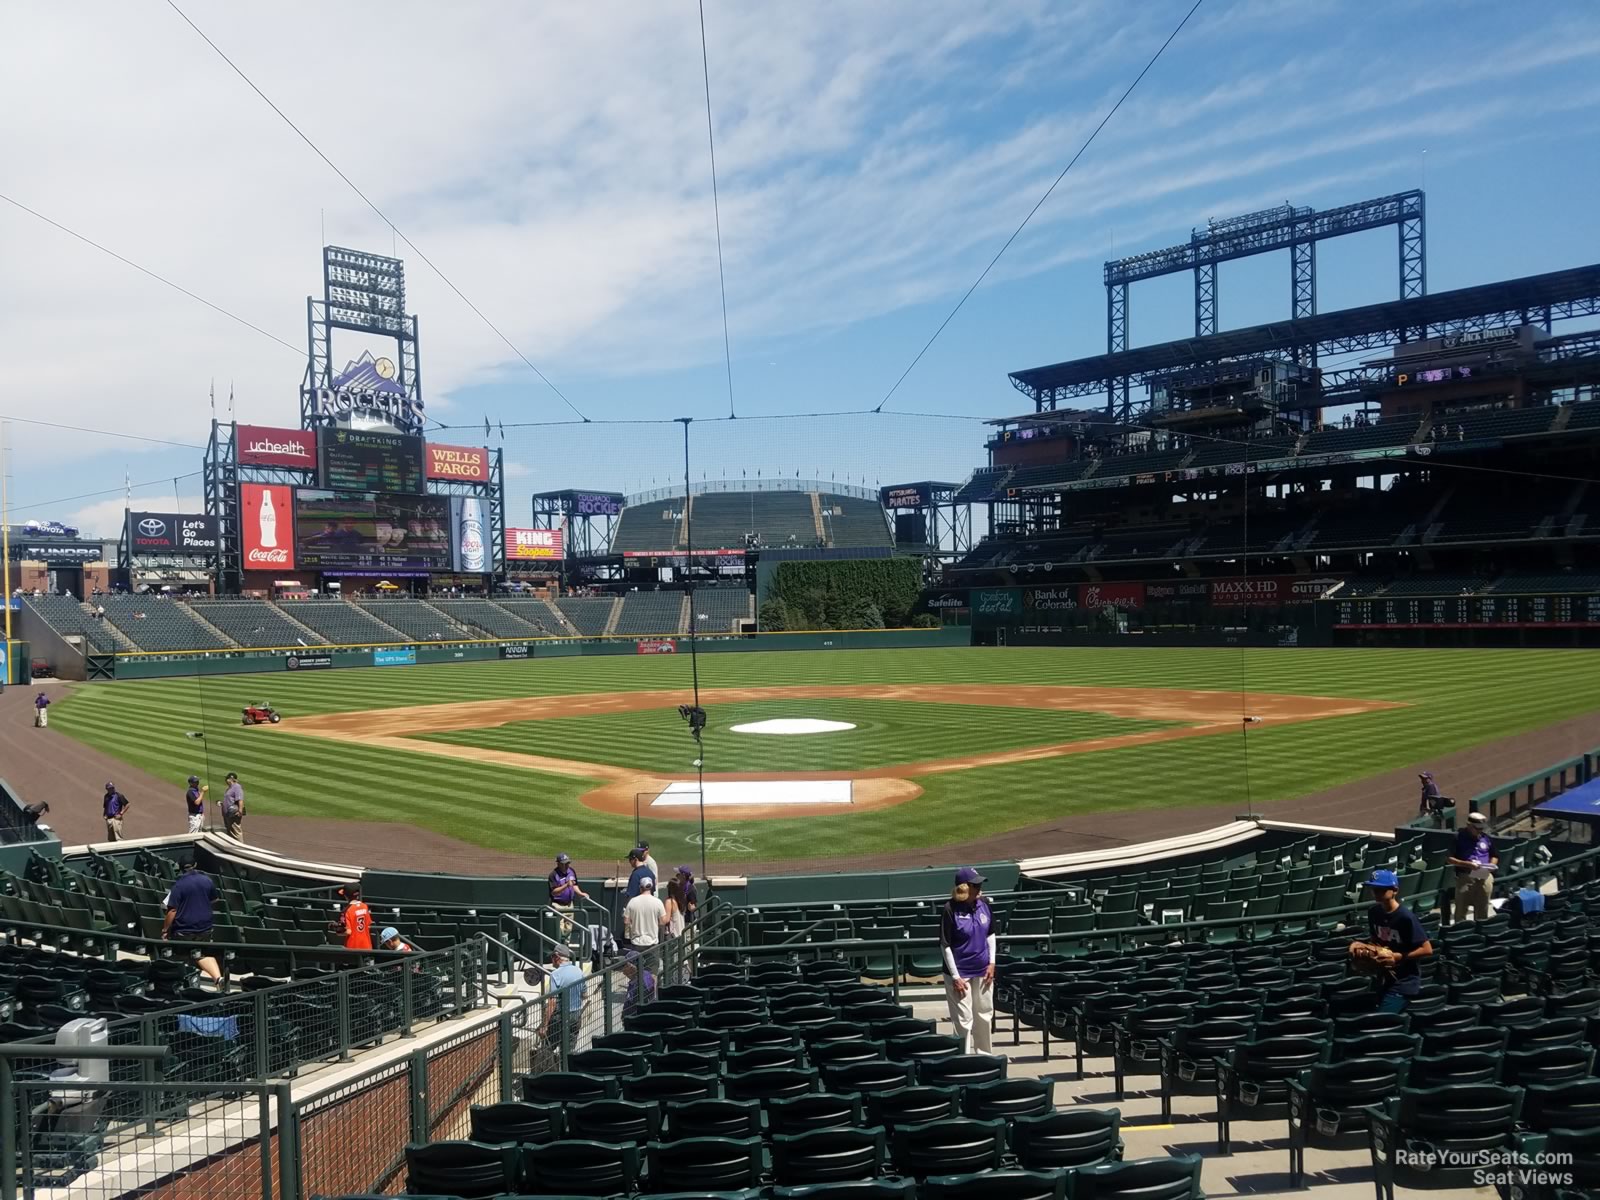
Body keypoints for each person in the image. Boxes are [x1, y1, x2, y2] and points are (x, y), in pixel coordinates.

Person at [1348, 868, 1433, 1013]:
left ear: (1394, 890)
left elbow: (1427, 949)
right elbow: (1376, 940)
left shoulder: (1406, 917)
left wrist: (1399, 956)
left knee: (1381, 1022)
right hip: (1383, 978)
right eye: (1373, 889)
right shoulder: (1373, 912)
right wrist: (1364, 947)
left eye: (1380, 889)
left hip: (1405, 981)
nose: (1375, 892)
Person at [939, 867, 997, 1055]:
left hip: (983, 970)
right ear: (964, 887)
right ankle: (963, 1061)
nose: (980, 887)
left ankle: (985, 1059)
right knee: (964, 1020)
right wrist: (955, 977)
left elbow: (991, 934)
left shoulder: (985, 904)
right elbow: (945, 945)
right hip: (960, 974)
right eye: (975, 884)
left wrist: (992, 962)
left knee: (984, 1016)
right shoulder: (950, 909)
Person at [161, 860, 223, 984]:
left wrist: (165, 930)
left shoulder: (179, 885)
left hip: (184, 929)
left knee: (182, 956)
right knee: (202, 955)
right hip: (205, 927)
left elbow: (172, 910)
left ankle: (186, 984)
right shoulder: (207, 880)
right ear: (195, 865)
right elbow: (214, 899)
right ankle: (218, 978)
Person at [1447, 811, 1498, 924]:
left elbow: (1494, 855)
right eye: (1477, 828)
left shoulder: (1486, 838)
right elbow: (1450, 859)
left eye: (1481, 828)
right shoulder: (1458, 837)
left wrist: (1491, 865)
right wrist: (1467, 864)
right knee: (1461, 909)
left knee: (1482, 909)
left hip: (1484, 875)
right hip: (1465, 876)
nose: (1480, 831)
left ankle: (1480, 933)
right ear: (1469, 825)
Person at [542, 944, 587, 1062]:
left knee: (548, 1046)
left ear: (557, 957)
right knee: (569, 1050)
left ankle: (544, 1073)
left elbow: (552, 1001)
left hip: (560, 1017)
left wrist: (544, 1025)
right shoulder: (578, 971)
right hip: (576, 1015)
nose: (551, 960)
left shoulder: (555, 975)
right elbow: (584, 994)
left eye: (552, 957)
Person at [548, 853, 589, 941]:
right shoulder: (553, 874)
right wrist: (566, 885)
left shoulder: (571, 871)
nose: (567, 865)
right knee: (559, 929)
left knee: (569, 928)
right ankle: (559, 948)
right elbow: (554, 892)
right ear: (558, 864)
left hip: (569, 904)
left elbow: (574, 885)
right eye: (564, 864)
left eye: (568, 863)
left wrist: (580, 893)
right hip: (557, 905)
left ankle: (566, 949)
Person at [623, 877, 666, 954]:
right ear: (651, 887)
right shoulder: (658, 902)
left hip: (636, 943)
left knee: (636, 966)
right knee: (652, 966)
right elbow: (663, 921)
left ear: (640, 887)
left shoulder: (632, 901)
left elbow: (626, 921)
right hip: (652, 942)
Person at [338, 885, 373, 950]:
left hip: (352, 947)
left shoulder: (347, 910)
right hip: (366, 945)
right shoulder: (364, 906)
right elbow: (368, 925)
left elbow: (348, 931)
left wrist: (337, 931)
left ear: (346, 896)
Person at [221, 773, 245, 841]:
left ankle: (240, 848)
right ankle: (232, 848)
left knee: (236, 832)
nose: (225, 780)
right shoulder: (229, 788)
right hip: (228, 814)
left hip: (233, 814)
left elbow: (240, 799)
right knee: (230, 832)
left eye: (227, 778)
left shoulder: (237, 787)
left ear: (231, 779)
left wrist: (240, 811)